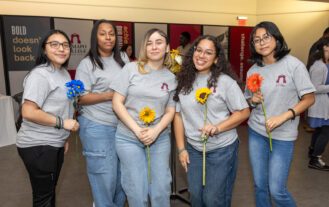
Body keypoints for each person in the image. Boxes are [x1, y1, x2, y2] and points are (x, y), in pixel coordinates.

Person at [244, 21, 315, 207]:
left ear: (277, 38)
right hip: (256, 132)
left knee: (277, 190)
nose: (262, 42)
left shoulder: (294, 65)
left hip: (283, 135)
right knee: (260, 185)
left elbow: (309, 99)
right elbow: (247, 100)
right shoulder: (253, 70)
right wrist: (253, 101)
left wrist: (284, 116)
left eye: (266, 37)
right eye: (257, 40)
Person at [173, 35, 250, 207]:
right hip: (193, 150)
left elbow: (244, 112)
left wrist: (217, 127)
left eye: (208, 53)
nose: (201, 56)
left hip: (222, 150)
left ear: (216, 59)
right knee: (197, 198)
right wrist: (181, 149)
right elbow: (178, 115)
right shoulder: (182, 80)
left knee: (213, 200)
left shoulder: (225, 82)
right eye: (198, 50)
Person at [111, 28, 176, 207]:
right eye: (149, 43)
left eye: (159, 42)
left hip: (159, 138)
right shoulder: (131, 69)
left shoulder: (171, 78)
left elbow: (170, 111)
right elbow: (117, 103)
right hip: (128, 138)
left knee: (161, 189)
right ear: (144, 47)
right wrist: (137, 130)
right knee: (136, 191)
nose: (154, 47)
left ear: (167, 47)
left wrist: (155, 131)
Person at [16, 30, 79, 207]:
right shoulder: (40, 75)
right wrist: (62, 123)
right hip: (38, 145)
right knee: (44, 197)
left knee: (49, 191)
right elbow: (28, 112)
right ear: (44, 49)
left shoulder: (63, 73)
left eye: (65, 45)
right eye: (54, 44)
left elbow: (60, 106)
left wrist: (63, 136)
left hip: (53, 142)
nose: (61, 49)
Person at [75, 19, 126, 207]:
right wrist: (109, 95)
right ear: (95, 36)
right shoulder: (87, 64)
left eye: (111, 33)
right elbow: (80, 98)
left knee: (122, 177)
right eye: (103, 33)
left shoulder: (123, 59)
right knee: (105, 178)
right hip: (97, 125)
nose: (108, 37)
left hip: (122, 126)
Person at [307, 37, 329, 171]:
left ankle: (313, 152)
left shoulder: (323, 64)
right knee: (326, 131)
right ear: (325, 47)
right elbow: (315, 87)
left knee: (320, 129)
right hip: (320, 104)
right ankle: (315, 158)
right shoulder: (318, 66)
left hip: (324, 104)